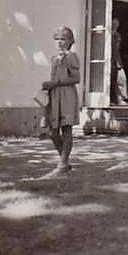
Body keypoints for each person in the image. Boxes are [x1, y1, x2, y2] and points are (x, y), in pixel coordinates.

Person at [41, 26, 80, 176]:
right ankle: (65, 161)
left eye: (63, 39)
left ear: (70, 41)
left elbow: (76, 78)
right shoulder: (54, 58)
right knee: (52, 131)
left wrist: (55, 83)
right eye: (57, 39)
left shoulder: (71, 56)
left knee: (66, 128)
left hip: (67, 95)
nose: (59, 42)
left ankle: (62, 163)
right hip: (54, 95)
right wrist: (48, 86)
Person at [110, 17, 128, 105]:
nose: (115, 26)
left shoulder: (118, 35)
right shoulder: (107, 34)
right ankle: (112, 99)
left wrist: (119, 61)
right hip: (106, 61)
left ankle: (120, 98)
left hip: (117, 60)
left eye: (116, 24)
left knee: (121, 78)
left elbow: (117, 49)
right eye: (113, 24)